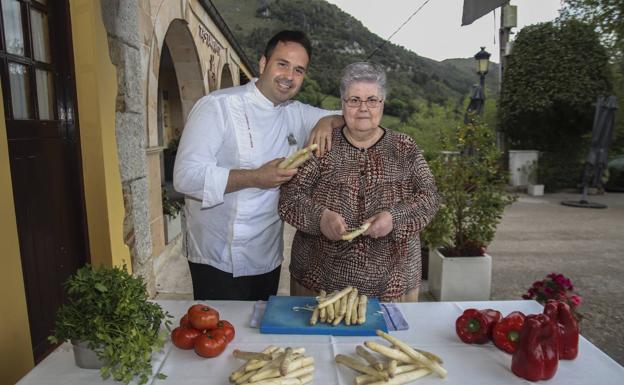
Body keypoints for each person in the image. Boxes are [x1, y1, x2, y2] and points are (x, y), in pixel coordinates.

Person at [173, 30, 342, 301]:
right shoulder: (218, 106)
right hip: (217, 257)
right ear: (263, 64)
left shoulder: (296, 113)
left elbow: (354, 116)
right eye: (282, 64)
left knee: (256, 334)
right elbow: (185, 177)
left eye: (299, 70)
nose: (289, 76)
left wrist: (328, 121)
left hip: (266, 257)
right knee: (221, 336)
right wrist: (255, 177)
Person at [278, 62, 440, 302]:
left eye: (372, 100)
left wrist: (393, 218)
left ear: (382, 103)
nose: (363, 108)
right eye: (354, 100)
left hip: (393, 287)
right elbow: (289, 199)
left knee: (388, 341)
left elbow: (430, 198)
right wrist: (320, 218)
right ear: (342, 104)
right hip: (319, 285)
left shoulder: (404, 147)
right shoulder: (323, 145)